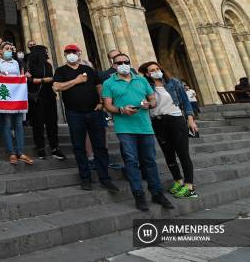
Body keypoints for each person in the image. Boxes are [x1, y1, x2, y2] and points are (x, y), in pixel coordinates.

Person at [102, 53, 174, 211]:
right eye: (119, 62)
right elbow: (107, 105)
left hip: (145, 127)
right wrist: (121, 109)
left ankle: (157, 193)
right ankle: (138, 194)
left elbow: (153, 99)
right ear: (114, 65)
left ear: (130, 62)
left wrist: (149, 104)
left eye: (125, 62)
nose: (123, 64)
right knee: (131, 161)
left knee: (149, 161)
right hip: (125, 128)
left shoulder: (141, 80)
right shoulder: (109, 82)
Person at [53, 44, 118, 192]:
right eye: (68, 52)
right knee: (78, 146)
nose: (71, 54)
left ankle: (105, 178)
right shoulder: (61, 70)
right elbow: (56, 87)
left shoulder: (88, 70)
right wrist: (75, 81)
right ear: (64, 55)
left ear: (79, 53)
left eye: (73, 52)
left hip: (94, 112)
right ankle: (85, 178)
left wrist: (101, 102)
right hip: (74, 113)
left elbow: (99, 86)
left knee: (100, 145)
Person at [138, 61, 199, 198]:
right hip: (158, 122)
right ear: (147, 74)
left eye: (157, 68)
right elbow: (143, 102)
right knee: (168, 154)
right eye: (152, 70)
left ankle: (189, 186)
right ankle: (178, 181)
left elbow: (185, 102)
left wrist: (190, 120)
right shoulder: (146, 86)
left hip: (176, 120)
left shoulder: (173, 83)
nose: (156, 71)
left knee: (183, 153)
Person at [0, 42, 32, 165]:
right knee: (7, 124)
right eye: (6, 49)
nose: (9, 50)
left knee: (18, 125)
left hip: (18, 98)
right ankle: (11, 152)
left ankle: (21, 152)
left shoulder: (16, 63)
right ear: (1, 51)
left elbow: (19, 78)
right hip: (5, 98)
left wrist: (24, 76)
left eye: (10, 49)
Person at [27, 45, 64, 161]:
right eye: (45, 51)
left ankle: (54, 147)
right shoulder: (30, 65)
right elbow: (29, 80)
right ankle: (40, 147)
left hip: (49, 96)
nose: (47, 53)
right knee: (38, 124)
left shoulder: (48, 65)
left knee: (52, 123)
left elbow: (51, 78)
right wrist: (43, 80)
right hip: (36, 97)